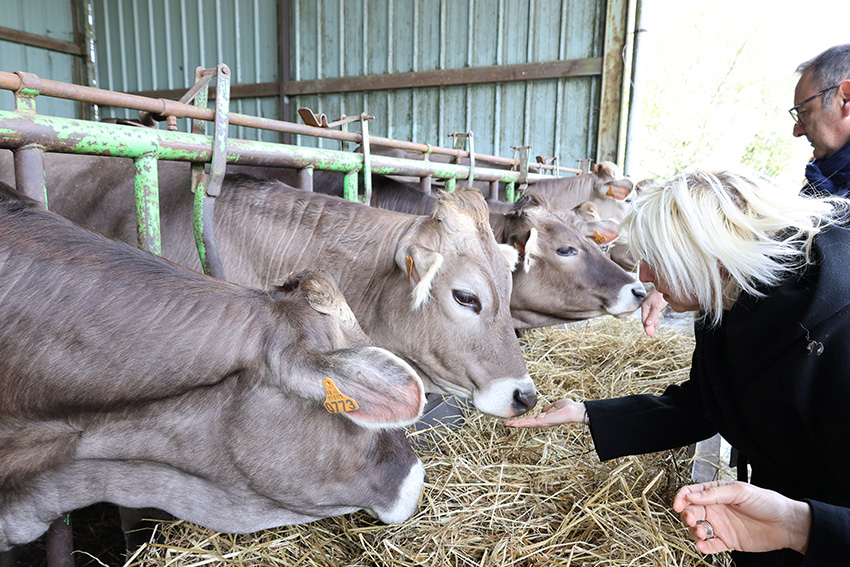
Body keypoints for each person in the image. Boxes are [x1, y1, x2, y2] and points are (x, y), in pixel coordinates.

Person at [505, 169, 850, 566]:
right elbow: (707, 404)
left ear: (714, 256)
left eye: (657, 261)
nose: (644, 277)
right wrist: (587, 413)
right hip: (772, 522)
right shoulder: (725, 297)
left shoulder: (836, 332)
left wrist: (801, 527)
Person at [640, 43, 850, 337]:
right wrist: (678, 275)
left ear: (846, 98)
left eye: (804, 112)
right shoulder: (822, 181)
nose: (797, 130)